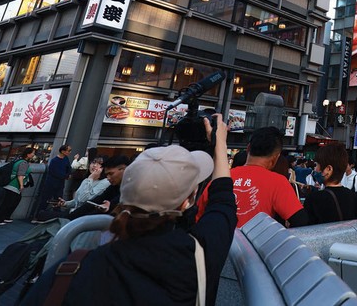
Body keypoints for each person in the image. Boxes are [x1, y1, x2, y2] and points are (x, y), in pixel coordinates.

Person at [22, 114, 235, 306]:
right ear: (186, 201)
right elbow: (222, 200)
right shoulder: (197, 256)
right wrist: (220, 144)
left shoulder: (71, 270)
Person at [200, 126, 306, 228]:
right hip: (257, 245)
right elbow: (300, 221)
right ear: (276, 157)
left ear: (248, 148)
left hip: (216, 243)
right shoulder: (278, 182)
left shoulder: (221, 178)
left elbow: (198, 216)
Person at [35, 157, 109, 222]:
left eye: (99, 164)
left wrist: (90, 178)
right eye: (93, 162)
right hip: (74, 213)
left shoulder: (104, 182)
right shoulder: (88, 179)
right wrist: (65, 203)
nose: (94, 165)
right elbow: (77, 201)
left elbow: (84, 200)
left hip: (83, 217)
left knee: (43, 216)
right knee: (42, 215)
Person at [303, 143, 356, 224]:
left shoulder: (315, 199)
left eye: (317, 165)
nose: (315, 169)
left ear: (328, 169)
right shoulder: (353, 196)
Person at [66, 155, 130, 221]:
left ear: (124, 169)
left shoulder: (131, 189)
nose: (108, 178)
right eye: (93, 162)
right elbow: (93, 203)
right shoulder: (114, 186)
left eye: (111, 174)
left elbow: (84, 201)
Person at [0, 147, 35, 225]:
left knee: (11, 201)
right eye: (33, 153)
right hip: (14, 185)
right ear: (28, 154)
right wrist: (21, 185)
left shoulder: (18, 160)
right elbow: (20, 175)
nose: (33, 155)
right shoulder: (24, 163)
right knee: (8, 203)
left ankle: (5, 217)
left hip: (11, 185)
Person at [37, 144, 72, 213]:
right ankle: (39, 215)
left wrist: (68, 174)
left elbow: (69, 168)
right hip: (51, 183)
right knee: (46, 199)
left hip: (60, 183)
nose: (70, 152)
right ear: (63, 151)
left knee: (59, 199)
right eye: (69, 150)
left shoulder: (66, 158)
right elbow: (54, 172)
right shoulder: (54, 161)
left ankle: (56, 214)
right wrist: (66, 176)